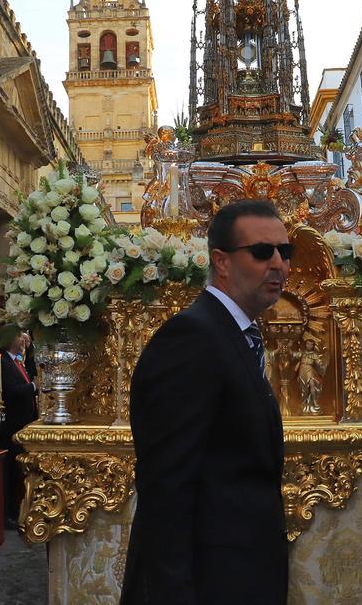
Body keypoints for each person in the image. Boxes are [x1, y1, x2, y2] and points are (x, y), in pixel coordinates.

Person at [121, 200, 289, 604]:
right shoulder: (192, 339)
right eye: (263, 252)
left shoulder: (234, 333)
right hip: (208, 581)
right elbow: (166, 487)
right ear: (222, 261)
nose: (279, 264)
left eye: (286, 252)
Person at [0, 329, 38, 528]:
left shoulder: (17, 359)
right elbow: (10, 391)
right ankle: (9, 513)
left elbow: (30, 371)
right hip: (11, 425)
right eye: (19, 334)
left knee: (19, 471)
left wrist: (28, 351)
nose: (24, 338)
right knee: (11, 471)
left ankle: (18, 507)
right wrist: (33, 388)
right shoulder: (2, 361)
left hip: (23, 423)